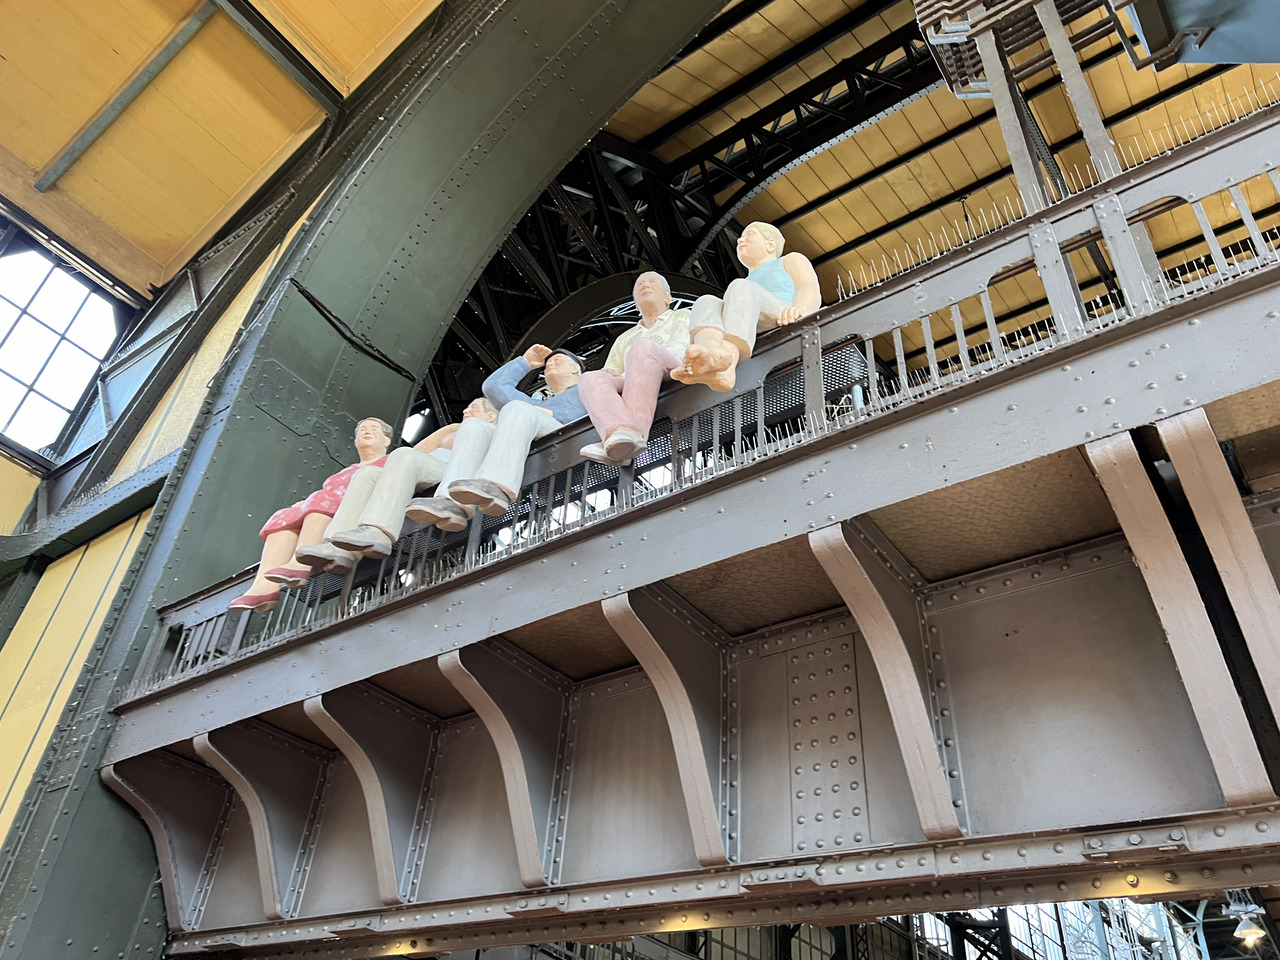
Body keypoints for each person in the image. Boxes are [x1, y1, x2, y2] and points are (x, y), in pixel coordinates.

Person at [295, 398, 498, 570]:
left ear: (490, 416)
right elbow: (417, 452)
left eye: (473, 408)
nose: (465, 411)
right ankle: (338, 547)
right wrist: (448, 430)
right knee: (367, 473)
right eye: (466, 407)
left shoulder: (490, 431)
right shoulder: (454, 430)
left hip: (452, 470)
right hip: (428, 467)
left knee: (404, 455)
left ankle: (379, 530)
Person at [403, 344, 586, 532]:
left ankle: (497, 485)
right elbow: (493, 388)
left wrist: (530, 409)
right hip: (535, 437)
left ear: (575, 368)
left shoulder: (586, 387)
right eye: (547, 364)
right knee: (474, 425)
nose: (550, 364)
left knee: (516, 407)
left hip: (568, 438)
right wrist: (525, 363)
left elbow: (572, 414)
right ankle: (452, 504)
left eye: (557, 360)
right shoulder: (534, 405)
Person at [227, 417, 393, 611]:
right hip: (330, 510)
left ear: (387, 440)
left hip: (356, 513)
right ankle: (264, 588)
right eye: (362, 429)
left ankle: (300, 564)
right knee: (285, 515)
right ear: (355, 441)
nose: (367, 431)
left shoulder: (392, 463)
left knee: (322, 498)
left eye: (374, 429)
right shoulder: (343, 473)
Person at [672, 221, 821, 392]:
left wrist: (801, 309)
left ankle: (727, 365)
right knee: (707, 301)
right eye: (740, 238)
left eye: (749, 235)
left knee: (741, 286)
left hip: (781, 313)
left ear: (770, 244)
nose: (740, 240)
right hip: (750, 323)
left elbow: (808, 286)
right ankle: (710, 352)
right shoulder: (745, 283)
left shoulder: (789, 260)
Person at [577, 271, 691, 465]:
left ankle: (632, 436)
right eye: (640, 285)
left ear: (668, 297)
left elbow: (680, 348)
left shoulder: (682, 316)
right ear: (636, 304)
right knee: (590, 378)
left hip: (672, 367)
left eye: (652, 282)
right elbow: (611, 370)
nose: (645, 285)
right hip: (632, 378)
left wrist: (640, 359)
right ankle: (620, 433)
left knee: (643, 347)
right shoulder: (624, 338)